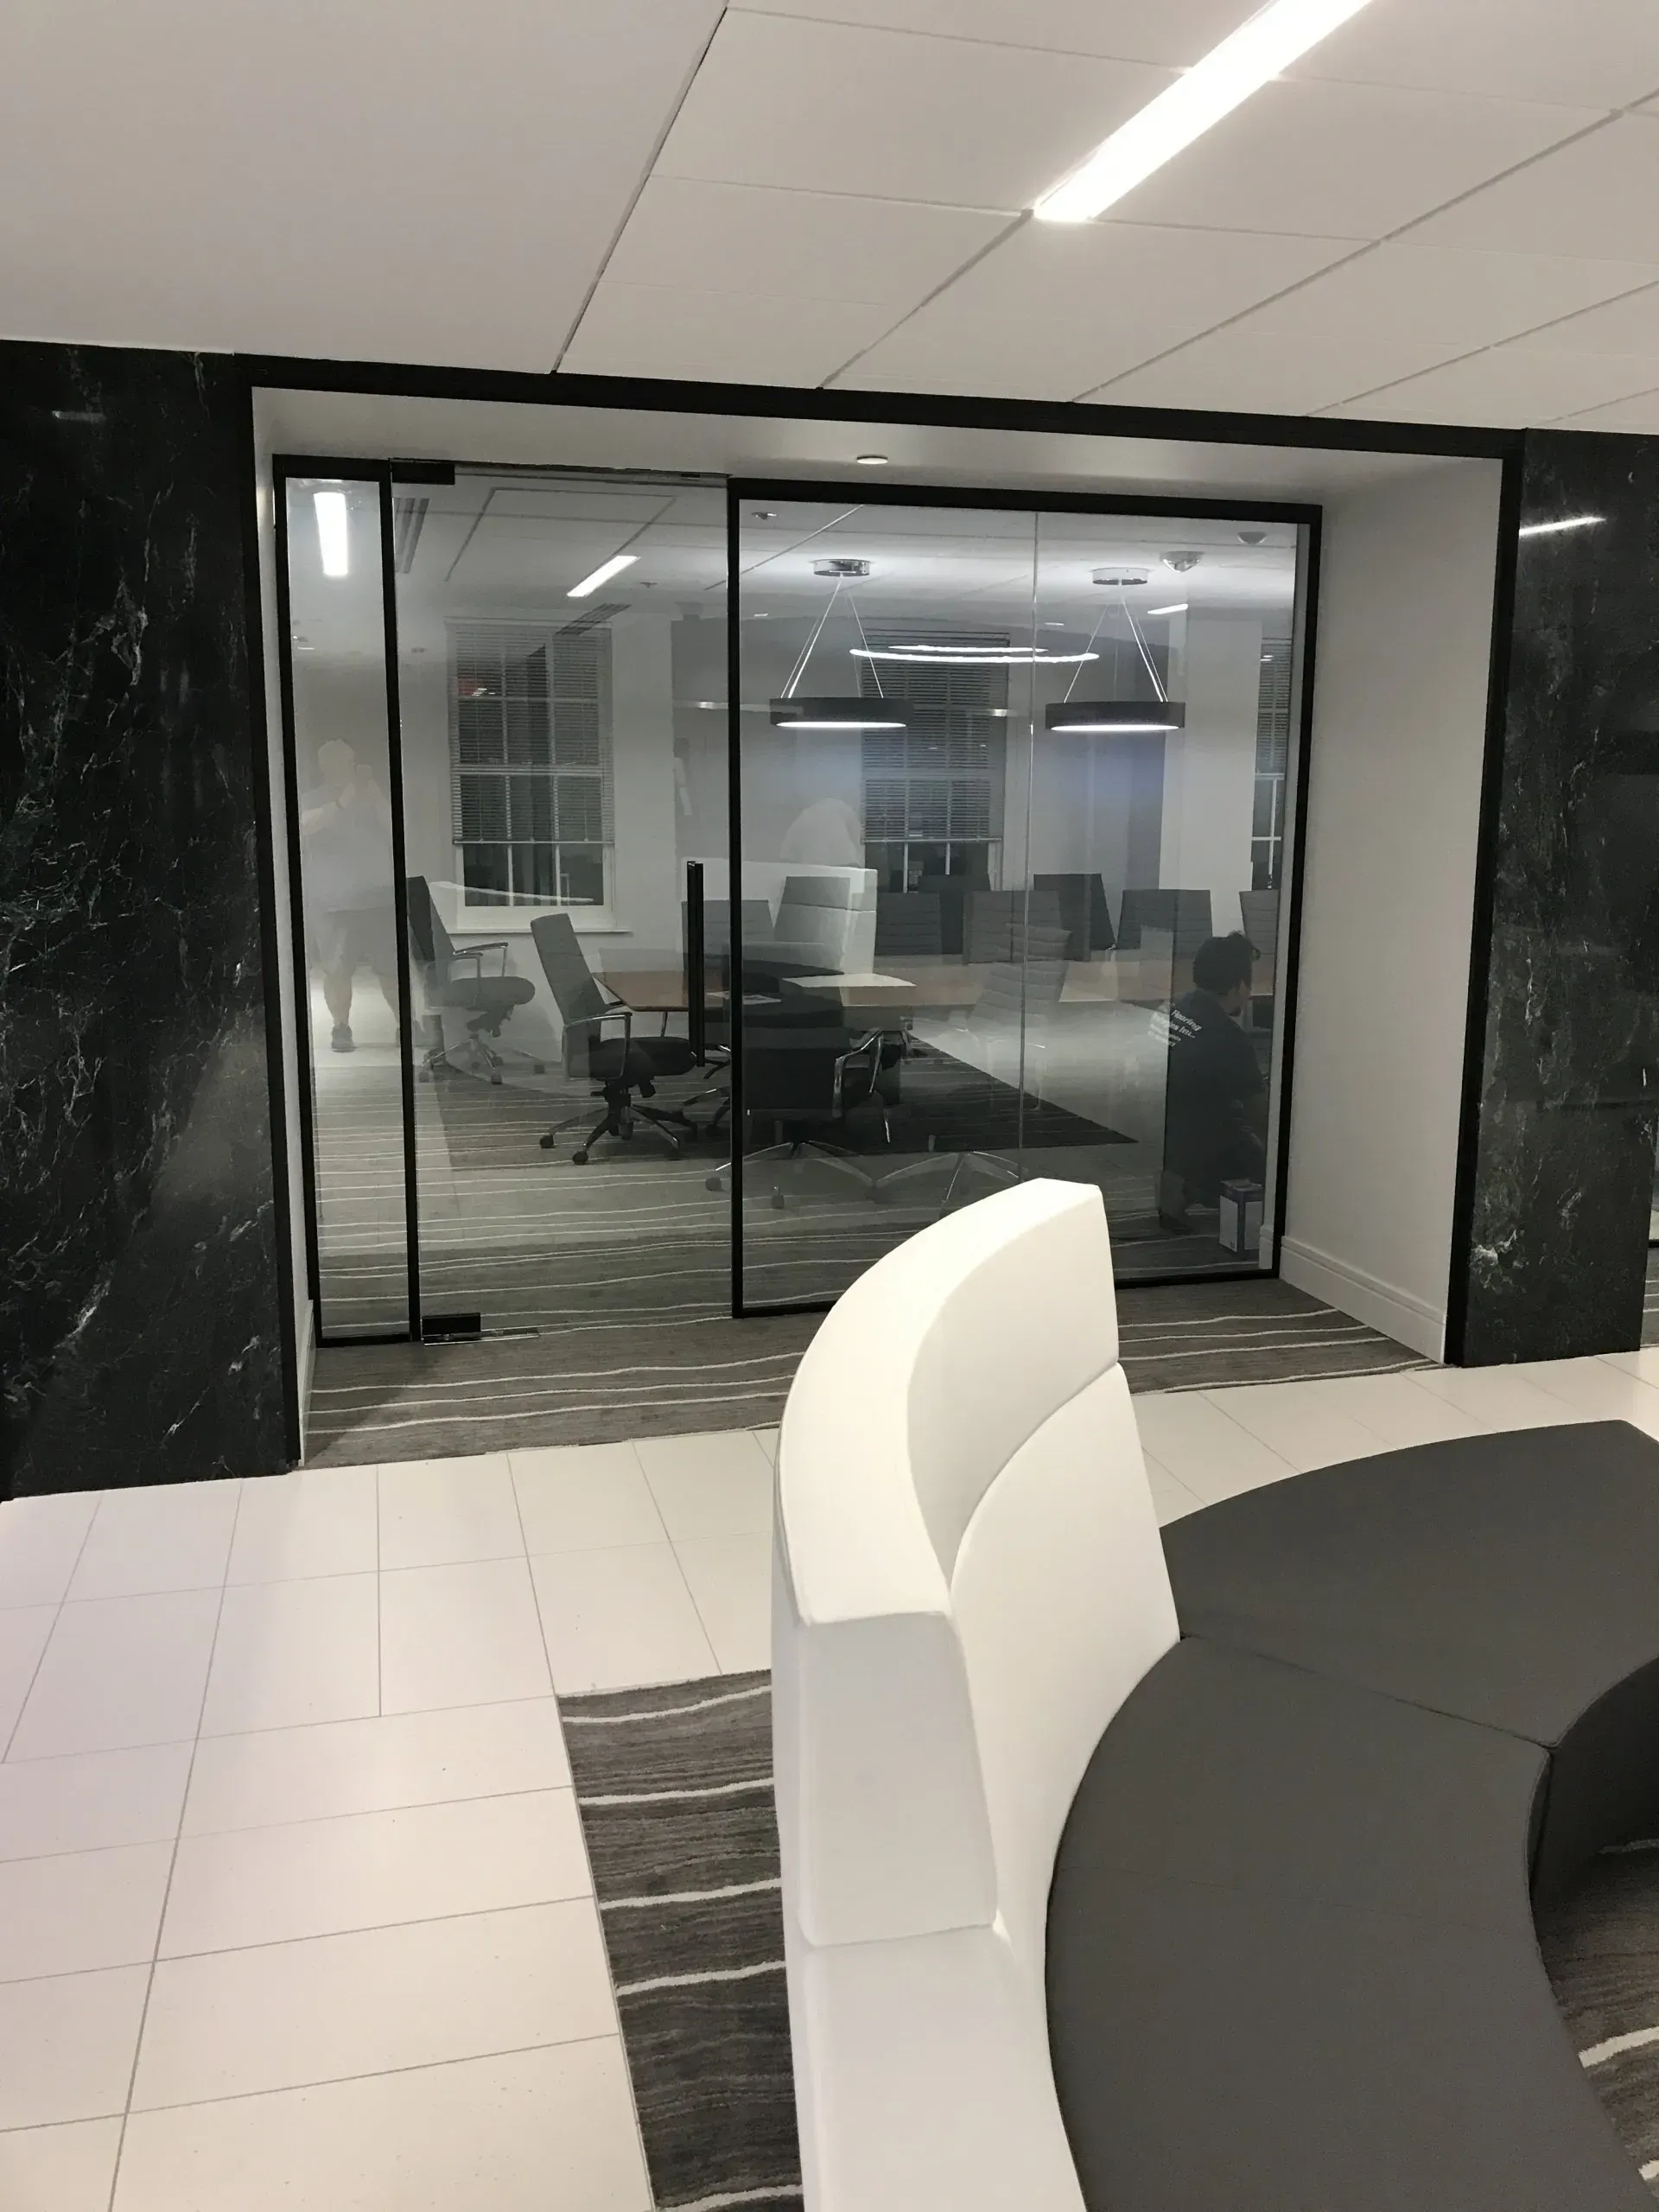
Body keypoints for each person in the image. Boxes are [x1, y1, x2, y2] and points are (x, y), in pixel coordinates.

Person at [297, 740, 400, 1052]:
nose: (349, 769)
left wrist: (378, 797)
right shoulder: (312, 798)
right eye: (342, 764)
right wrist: (342, 803)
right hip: (333, 901)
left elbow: (396, 827)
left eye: (352, 763)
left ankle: (404, 1025)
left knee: (391, 966)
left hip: (379, 896)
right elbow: (303, 827)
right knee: (337, 968)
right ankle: (341, 1028)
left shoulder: (372, 796)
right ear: (325, 767)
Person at [1160, 931, 1267, 1217]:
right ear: (1239, 985)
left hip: (1160, 1131)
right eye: (1249, 984)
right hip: (1198, 1140)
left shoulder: (1176, 1008)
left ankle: (1176, 1181)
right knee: (1266, 1159)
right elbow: (1260, 1114)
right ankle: (1189, 1188)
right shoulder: (1229, 1038)